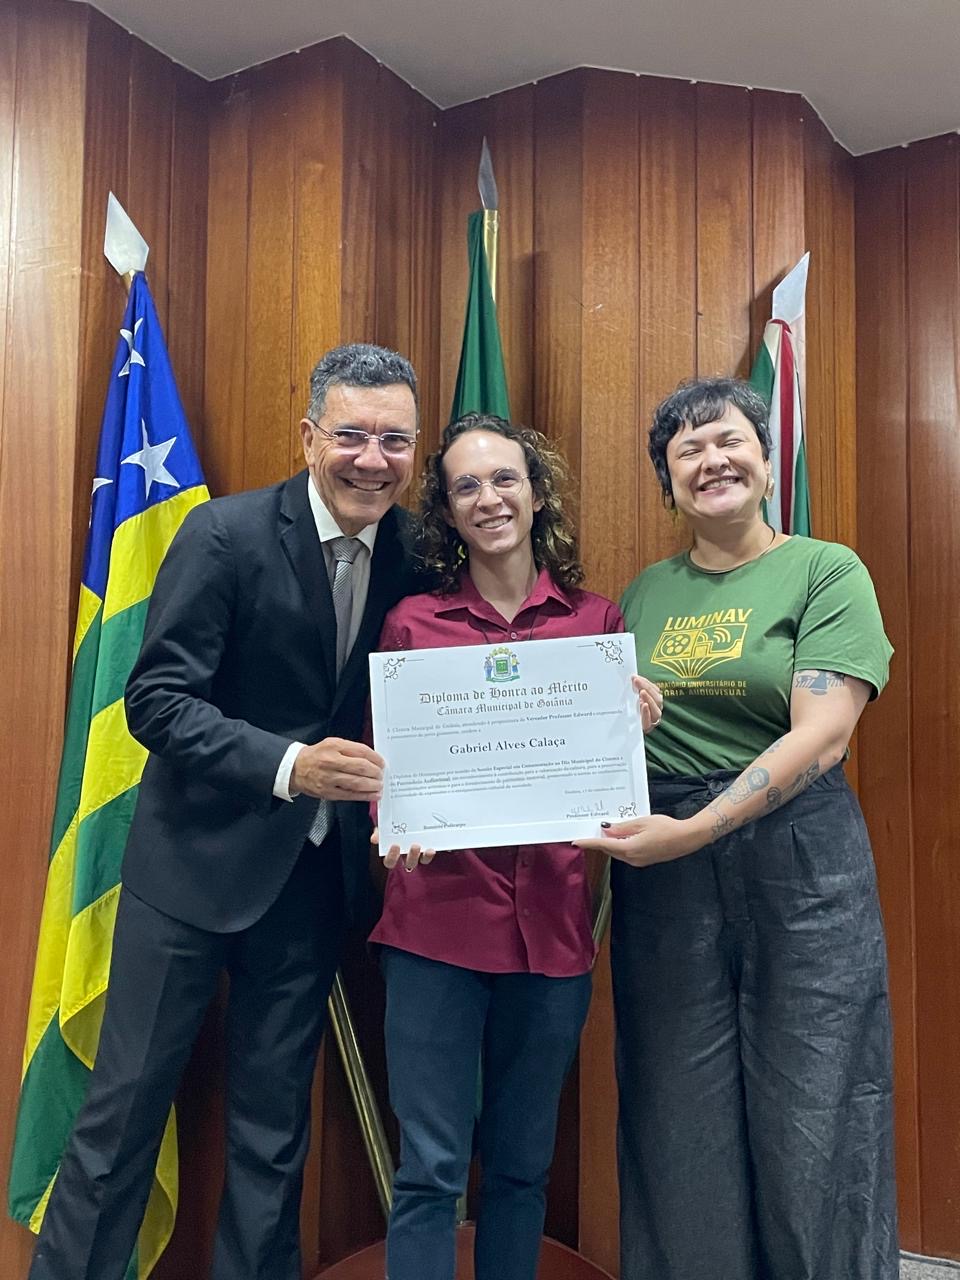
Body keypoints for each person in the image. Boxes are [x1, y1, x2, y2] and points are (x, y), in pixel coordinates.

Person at [29, 344, 424, 1280]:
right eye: (353, 435)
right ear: (310, 436)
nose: (373, 460)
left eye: (396, 440)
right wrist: (289, 765)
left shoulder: (419, 554)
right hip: (188, 876)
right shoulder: (224, 535)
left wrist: (612, 700)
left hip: (312, 885)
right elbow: (156, 702)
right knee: (122, 1117)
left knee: (273, 1133)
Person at [578, 377, 898, 1280]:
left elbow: (824, 736)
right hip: (666, 873)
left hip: (800, 858)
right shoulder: (643, 594)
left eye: (729, 441)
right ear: (667, 481)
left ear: (765, 461)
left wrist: (697, 831)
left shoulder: (827, 570)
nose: (711, 460)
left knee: (820, 1105)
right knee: (676, 1110)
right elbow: (609, 732)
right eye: (688, 450)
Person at [368, 413, 663, 1280]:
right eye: (466, 486)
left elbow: (606, 784)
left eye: (505, 479)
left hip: (552, 936)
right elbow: (387, 768)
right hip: (434, 931)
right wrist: (395, 821)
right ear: (447, 510)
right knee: (428, 1172)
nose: (489, 499)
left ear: (537, 495)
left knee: (522, 1169)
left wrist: (632, 729)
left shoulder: (596, 623)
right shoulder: (412, 624)